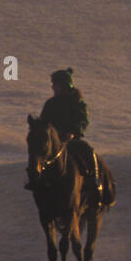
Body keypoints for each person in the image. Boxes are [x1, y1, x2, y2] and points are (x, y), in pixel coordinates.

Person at [29, 67, 101, 200]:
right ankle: (33, 179)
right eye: (53, 85)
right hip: (53, 141)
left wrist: (73, 132)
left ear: (65, 86)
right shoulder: (50, 104)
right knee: (37, 155)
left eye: (56, 85)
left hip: (71, 139)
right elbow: (44, 122)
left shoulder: (77, 103)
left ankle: (94, 182)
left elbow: (83, 120)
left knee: (88, 151)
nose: (53, 88)